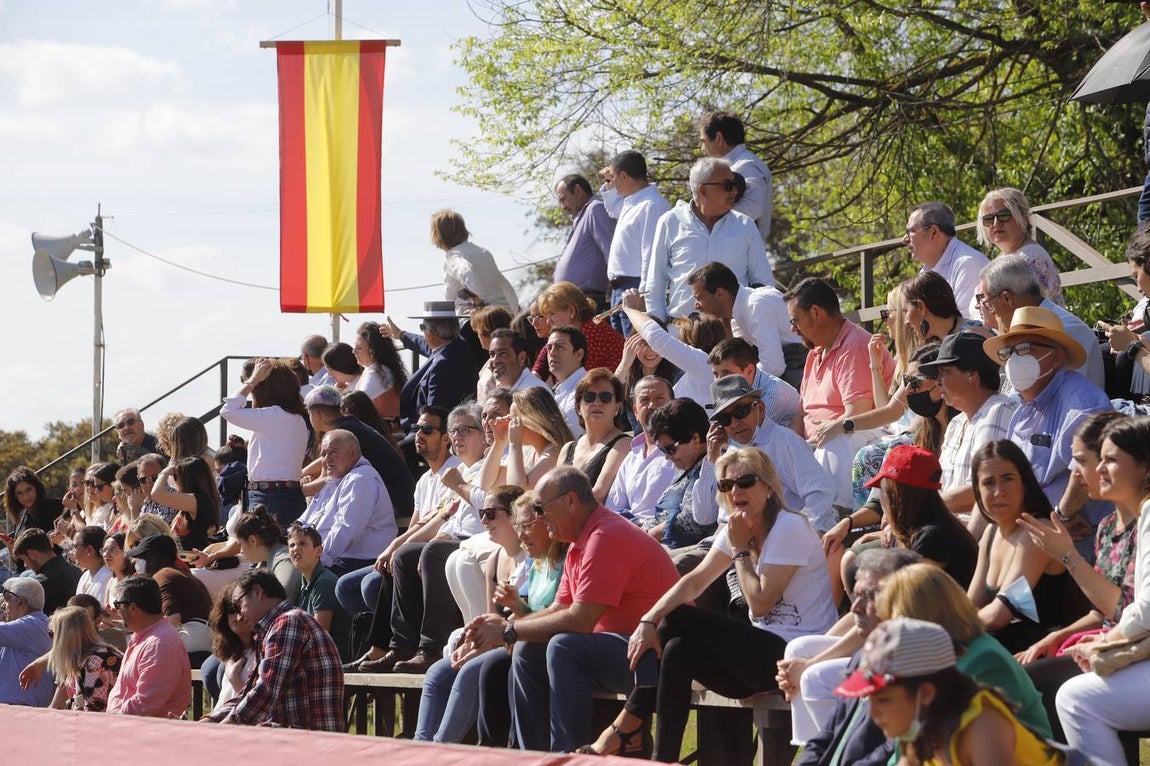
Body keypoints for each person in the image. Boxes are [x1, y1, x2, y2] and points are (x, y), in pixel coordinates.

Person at [581, 447, 836, 760]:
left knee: (678, 618)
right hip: (756, 663)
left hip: (796, 655)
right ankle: (664, 759)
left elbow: (759, 605)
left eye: (745, 481)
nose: (735, 491)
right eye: (726, 486)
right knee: (677, 650)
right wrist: (648, 620)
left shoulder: (789, 527)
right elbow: (694, 581)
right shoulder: (738, 528)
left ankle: (628, 723)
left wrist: (741, 552)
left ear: (768, 487)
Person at [451, 466, 679, 753]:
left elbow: (581, 620)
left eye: (541, 507)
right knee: (527, 649)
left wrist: (509, 630)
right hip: (624, 647)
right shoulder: (580, 540)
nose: (538, 516)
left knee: (564, 647)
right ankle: (533, 756)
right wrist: (510, 631)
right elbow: (561, 607)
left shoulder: (605, 536)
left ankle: (567, 757)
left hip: (659, 656)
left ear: (571, 500)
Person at [1016, 413, 1138, 744]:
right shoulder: (1107, 527)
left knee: (1036, 683)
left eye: (1082, 460)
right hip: (1112, 643)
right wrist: (1056, 637)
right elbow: (1102, 612)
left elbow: (1129, 611)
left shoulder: (1145, 525)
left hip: (1133, 651)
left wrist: (1068, 556)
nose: (1077, 472)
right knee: (1027, 672)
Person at [834, 618, 1066, 766]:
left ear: (924, 694)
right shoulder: (918, 728)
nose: (873, 713)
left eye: (883, 699)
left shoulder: (981, 726)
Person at [1055, 416, 1150, 764]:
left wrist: (1105, 642)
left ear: (1143, 466)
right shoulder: (1113, 523)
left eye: (1110, 460)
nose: (1097, 471)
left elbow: (1141, 608)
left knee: (1074, 698)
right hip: (1136, 645)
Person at [983, 307, 1113, 550]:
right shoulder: (1023, 408)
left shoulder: (1082, 400)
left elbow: (1085, 469)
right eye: (1009, 352)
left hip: (1077, 534)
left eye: (1025, 349)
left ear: (1057, 357)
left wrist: (1060, 519)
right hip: (1032, 525)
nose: (1014, 359)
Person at [413, 486, 528, 743]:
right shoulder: (496, 558)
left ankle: (440, 750)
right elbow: (488, 618)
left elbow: (525, 618)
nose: (483, 521)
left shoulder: (530, 554)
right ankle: (420, 746)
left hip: (517, 642)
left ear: (513, 515)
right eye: (481, 513)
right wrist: (469, 644)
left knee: (468, 670)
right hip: (495, 641)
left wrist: (477, 650)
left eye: (490, 513)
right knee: (438, 672)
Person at [780, 547, 923, 754]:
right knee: (799, 649)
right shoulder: (864, 658)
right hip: (880, 650)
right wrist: (802, 665)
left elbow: (880, 754)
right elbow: (828, 736)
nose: (854, 607)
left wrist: (809, 666)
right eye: (856, 595)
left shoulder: (924, 662)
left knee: (814, 676)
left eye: (868, 596)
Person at [786, 276, 895, 509]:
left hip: (843, 444)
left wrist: (809, 448)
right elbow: (801, 413)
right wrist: (790, 446)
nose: (792, 329)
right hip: (815, 447)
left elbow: (857, 414)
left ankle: (832, 518)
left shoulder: (854, 346)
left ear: (816, 312)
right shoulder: (815, 352)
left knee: (835, 440)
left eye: (795, 320)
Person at [693, 375, 838, 534]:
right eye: (724, 418)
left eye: (740, 411)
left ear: (760, 409)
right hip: (726, 537)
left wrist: (800, 538)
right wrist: (711, 459)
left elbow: (820, 495)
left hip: (773, 536)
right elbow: (704, 517)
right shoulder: (724, 453)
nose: (734, 423)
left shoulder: (785, 442)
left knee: (681, 560)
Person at [968, 440, 1074, 654]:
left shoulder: (1036, 532)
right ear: (978, 492)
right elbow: (970, 605)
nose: (999, 491)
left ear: (1024, 484)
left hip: (1036, 656)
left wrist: (953, 627)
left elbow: (999, 616)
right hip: (999, 648)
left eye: (1008, 479)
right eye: (988, 482)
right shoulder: (990, 533)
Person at [204, 569, 344, 729]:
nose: (240, 614)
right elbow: (249, 693)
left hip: (309, 742)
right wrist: (209, 723)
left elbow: (267, 690)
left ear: (257, 592)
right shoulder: (272, 629)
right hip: (294, 737)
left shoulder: (289, 622)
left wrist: (225, 727)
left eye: (238, 604)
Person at [645, 157, 774, 320]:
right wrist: (658, 329)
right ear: (702, 190)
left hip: (734, 335)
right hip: (681, 333)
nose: (734, 191)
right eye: (727, 185)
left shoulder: (745, 225)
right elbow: (655, 283)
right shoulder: (670, 222)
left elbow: (763, 284)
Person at [919, 331, 1018, 515]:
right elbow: (940, 487)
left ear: (972, 374)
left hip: (975, 532)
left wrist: (920, 511)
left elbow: (981, 491)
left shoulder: (998, 410)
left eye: (944, 372)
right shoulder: (957, 422)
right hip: (947, 525)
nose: (938, 381)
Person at [978, 254, 1104, 388]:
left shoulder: (1061, 331)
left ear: (1007, 299)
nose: (991, 313)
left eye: (989, 304)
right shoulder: (1038, 324)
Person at [862, 445, 979, 587]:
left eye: (884, 490)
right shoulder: (919, 529)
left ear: (898, 495)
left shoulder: (934, 538)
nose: (882, 499)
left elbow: (909, 597)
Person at [220, 357, 310, 528]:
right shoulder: (294, 417)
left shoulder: (275, 415)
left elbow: (228, 411)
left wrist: (253, 380)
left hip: (270, 496)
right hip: (283, 494)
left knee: (266, 553)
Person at [305, 384, 415, 522]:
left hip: (396, 504)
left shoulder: (345, 433)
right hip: (399, 498)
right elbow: (325, 464)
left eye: (308, 413)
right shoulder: (349, 425)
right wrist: (300, 475)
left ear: (317, 415)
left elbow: (331, 480)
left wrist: (296, 490)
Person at [296, 429, 397, 575]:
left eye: (333, 453)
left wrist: (316, 560)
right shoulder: (335, 479)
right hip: (328, 557)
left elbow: (346, 530)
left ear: (352, 452)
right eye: (323, 455)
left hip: (357, 561)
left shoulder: (360, 478)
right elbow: (305, 522)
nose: (327, 459)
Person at [687, 260, 801, 383]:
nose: (696, 306)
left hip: (800, 367)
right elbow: (741, 360)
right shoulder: (737, 312)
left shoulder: (756, 305)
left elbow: (773, 366)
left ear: (719, 293)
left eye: (699, 298)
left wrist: (734, 380)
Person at [600, 150, 672, 336]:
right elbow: (612, 209)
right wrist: (608, 182)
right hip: (619, 290)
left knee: (636, 347)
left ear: (624, 176)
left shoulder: (652, 204)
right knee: (623, 350)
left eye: (614, 178)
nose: (612, 183)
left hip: (635, 288)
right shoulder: (632, 202)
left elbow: (651, 252)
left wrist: (644, 294)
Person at [620, 289, 731, 407]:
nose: (678, 338)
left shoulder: (703, 362)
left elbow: (655, 336)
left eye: (682, 333)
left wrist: (630, 309)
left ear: (691, 341)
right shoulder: (709, 367)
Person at [106, 575, 191, 717]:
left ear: (133, 608)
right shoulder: (144, 635)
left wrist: (111, 721)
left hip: (144, 732)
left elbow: (146, 704)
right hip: (127, 727)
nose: (117, 611)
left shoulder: (160, 644)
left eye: (118, 605)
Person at [391, 301, 482, 432]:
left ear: (431, 334)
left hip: (428, 434)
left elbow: (433, 418)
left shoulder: (443, 365)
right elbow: (423, 344)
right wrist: (401, 335)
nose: (423, 334)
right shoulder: (457, 347)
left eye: (423, 328)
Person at [643, 398, 716, 550]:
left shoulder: (711, 469)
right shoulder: (687, 465)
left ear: (695, 439)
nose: (667, 457)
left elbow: (690, 525)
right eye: (662, 450)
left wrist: (645, 537)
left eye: (670, 449)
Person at [605, 375, 678, 525]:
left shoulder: (683, 451)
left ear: (672, 405)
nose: (652, 405)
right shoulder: (631, 458)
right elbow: (613, 509)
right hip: (630, 533)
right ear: (635, 411)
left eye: (659, 399)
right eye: (644, 400)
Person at [127, 533, 213, 655]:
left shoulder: (162, 575)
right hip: (206, 635)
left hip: (192, 635)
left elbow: (173, 619)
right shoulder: (177, 571)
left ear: (154, 557)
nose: (136, 561)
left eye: (141, 556)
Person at [976, 187, 1064, 306]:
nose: (996, 223)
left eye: (1003, 215)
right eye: (988, 219)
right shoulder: (1004, 259)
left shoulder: (1030, 258)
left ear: (1024, 218)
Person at [903, 201, 989, 319]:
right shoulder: (926, 271)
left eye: (910, 231)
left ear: (933, 232)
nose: (904, 239)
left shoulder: (967, 264)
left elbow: (968, 325)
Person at [558, 369, 631, 503]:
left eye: (605, 398)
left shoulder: (623, 444)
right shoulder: (567, 449)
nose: (597, 403)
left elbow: (599, 494)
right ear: (578, 407)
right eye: (589, 397)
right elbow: (554, 490)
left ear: (617, 407)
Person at [698, 111, 773, 240]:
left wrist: (711, 217)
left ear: (719, 138)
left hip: (743, 254)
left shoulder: (747, 165)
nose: (702, 149)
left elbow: (753, 208)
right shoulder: (736, 165)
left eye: (704, 142)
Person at [433, 208, 520, 313]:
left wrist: (479, 303)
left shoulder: (454, 256)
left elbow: (467, 273)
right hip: (504, 312)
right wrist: (513, 310)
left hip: (479, 320)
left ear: (439, 235)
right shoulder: (483, 252)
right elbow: (504, 285)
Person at [288, 521, 352, 661]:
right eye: (292, 545)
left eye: (303, 544)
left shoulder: (324, 582)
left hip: (331, 657)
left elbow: (319, 635)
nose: (296, 549)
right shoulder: (301, 581)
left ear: (318, 550)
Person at [44, 605, 121, 711]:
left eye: (52, 633)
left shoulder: (92, 662)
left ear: (65, 636)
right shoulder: (86, 658)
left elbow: (94, 712)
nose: (51, 639)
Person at [554, 173, 615, 306]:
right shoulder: (581, 216)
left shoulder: (595, 209)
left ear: (577, 191)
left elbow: (611, 250)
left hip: (588, 301)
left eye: (563, 199)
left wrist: (618, 289)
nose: (562, 206)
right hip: (572, 302)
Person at [539, 281, 624, 372]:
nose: (548, 321)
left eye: (552, 314)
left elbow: (577, 379)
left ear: (572, 310)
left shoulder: (590, 334)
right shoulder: (585, 329)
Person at [145, 455, 220, 551]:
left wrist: (165, 472)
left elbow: (156, 494)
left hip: (195, 560)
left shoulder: (198, 500)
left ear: (188, 479)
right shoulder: (197, 500)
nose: (174, 480)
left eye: (176, 476)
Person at [0, 578, 53, 706]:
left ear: (21, 603)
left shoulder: (34, 624)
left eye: (7, 598)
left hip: (22, 709)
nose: (3, 605)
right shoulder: (28, 626)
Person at [11, 529, 80, 615]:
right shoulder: (76, 570)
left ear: (32, 554)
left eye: (24, 559)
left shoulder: (38, 587)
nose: (25, 565)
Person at [3, 467, 63, 564]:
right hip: (28, 573)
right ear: (14, 496)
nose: (26, 497)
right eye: (20, 493)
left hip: (57, 565)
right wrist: (11, 548)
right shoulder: (19, 519)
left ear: (36, 487)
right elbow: (19, 563)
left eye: (28, 489)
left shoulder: (56, 507)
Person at [352, 320, 408, 423]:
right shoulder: (375, 369)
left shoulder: (377, 373)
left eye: (359, 348)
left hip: (385, 433)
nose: (353, 351)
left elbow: (354, 404)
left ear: (373, 350)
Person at [547, 324, 591, 436]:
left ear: (579, 354)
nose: (551, 353)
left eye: (559, 347)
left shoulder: (588, 389)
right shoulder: (559, 390)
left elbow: (565, 436)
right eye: (549, 347)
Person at [486, 328, 549, 392]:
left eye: (502, 353)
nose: (495, 360)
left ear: (521, 358)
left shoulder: (533, 391)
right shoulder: (507, 389)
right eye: (492, 354)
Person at [72, 525, 112, 604]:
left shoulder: (108, 577)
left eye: (75, 547)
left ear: (89, 550)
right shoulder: (84, 576)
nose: (72, 552)